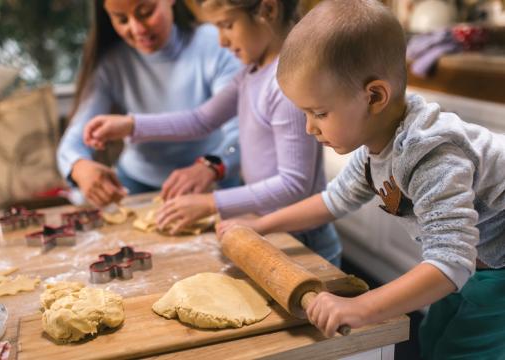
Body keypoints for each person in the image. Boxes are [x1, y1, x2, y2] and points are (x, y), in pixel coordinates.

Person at [216, 0, 505, 357]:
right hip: (473, 263)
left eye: (319, 112)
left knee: (464, 350)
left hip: (498, 267)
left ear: (374, 96)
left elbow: (451, 261)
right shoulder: (377, 146)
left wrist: (360, 307)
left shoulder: (431, 154)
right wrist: (261, 225)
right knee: (433, 339)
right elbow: (334, 200)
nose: (309, 128)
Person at [83, 0, 342, 266]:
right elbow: (201, 120)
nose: (222, 42)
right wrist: (131, 125)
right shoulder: (251, 72)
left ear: (268, 10)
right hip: (274, 232)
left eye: (227, 26)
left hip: (306, 243)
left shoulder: (285, 86)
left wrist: (210, 202)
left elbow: (294, 184)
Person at [57, 0, 242, 207]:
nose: (137, 29)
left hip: (213, 178)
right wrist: (79, 167)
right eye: (122, 19)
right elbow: (72, 142)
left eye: (145, 12)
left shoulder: (220, 42)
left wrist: (211, 166)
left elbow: (238, 131)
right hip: (135, 183)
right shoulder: (111, 63)